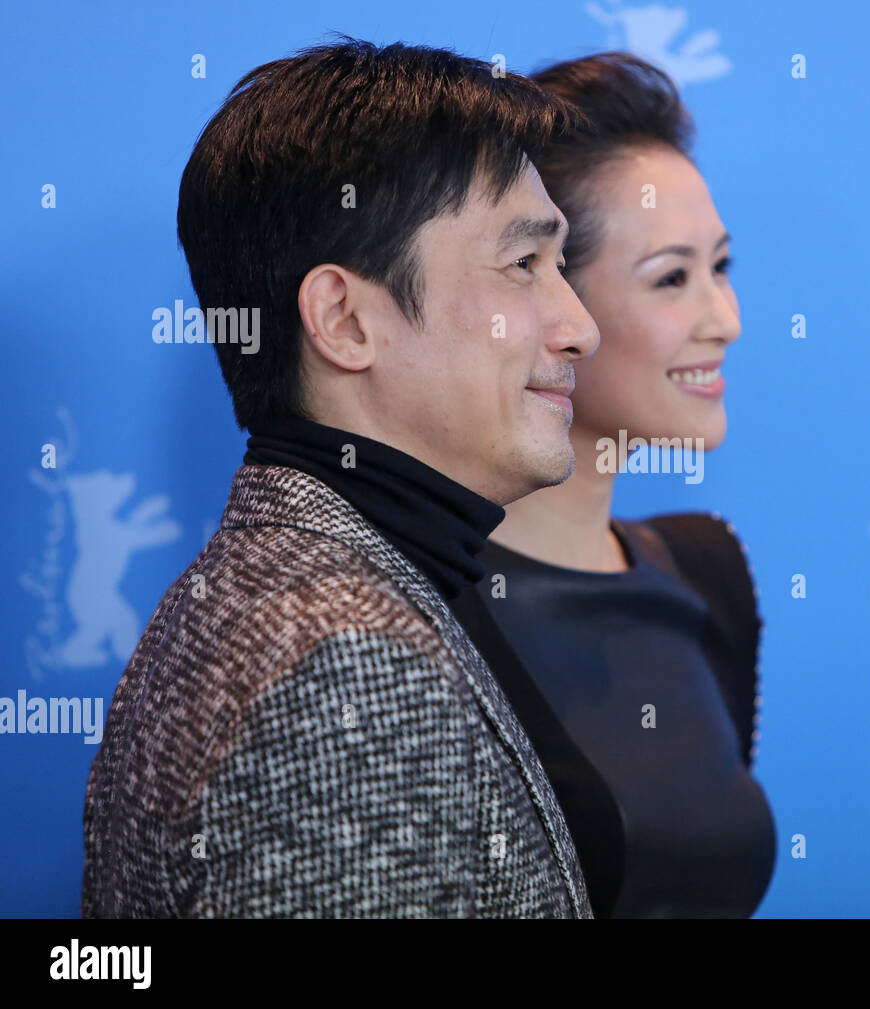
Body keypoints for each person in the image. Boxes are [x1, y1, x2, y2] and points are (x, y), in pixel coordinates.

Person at [81, 38, 601, 918]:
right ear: (345, 321)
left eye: (562, 266)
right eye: (523, 264)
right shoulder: (347, 669)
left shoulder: (282, 593)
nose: (580, 326)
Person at [449, 52, 776, 918]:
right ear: (551, 301)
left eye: (722, 267)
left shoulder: (706, 569)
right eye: (672, 278)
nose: (726, 321)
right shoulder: (419, 607)